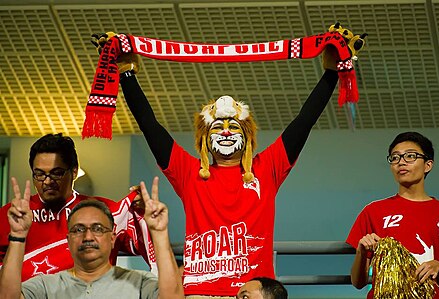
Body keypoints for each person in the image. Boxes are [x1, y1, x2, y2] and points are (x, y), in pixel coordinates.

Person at [92, 24, 364, 297]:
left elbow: (304, 122)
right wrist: (126, 73)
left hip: (253, 293)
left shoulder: (266, 168)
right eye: (217, 126)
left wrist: (331, 73)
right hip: (199, 293)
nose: (224, 131)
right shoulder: (189, 172)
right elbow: (150, 126)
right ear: (204, 139)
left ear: (247, 136)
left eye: (233, 126)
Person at [0, 133, 156, 281]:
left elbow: (148, 248)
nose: (47, 181)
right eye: (39, 174)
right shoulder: (12, 215)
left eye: (56, 173)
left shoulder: (103, 211)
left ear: (74, 171)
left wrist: (143, 213)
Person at [0, 176, 184, 298]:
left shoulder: (138, 282)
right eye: (79, 230)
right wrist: (17, 236)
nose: (88, 236)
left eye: (97, 228)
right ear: (68, 240)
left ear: (112, 238)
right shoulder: (47, 285)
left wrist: (159, 234)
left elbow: (173, 297)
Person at [346, 131, 439, 298]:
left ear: (428, 165)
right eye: (395, 158)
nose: (401, 162)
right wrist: (361, 252)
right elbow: (358, 283)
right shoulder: (373, 211)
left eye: (410, 156)